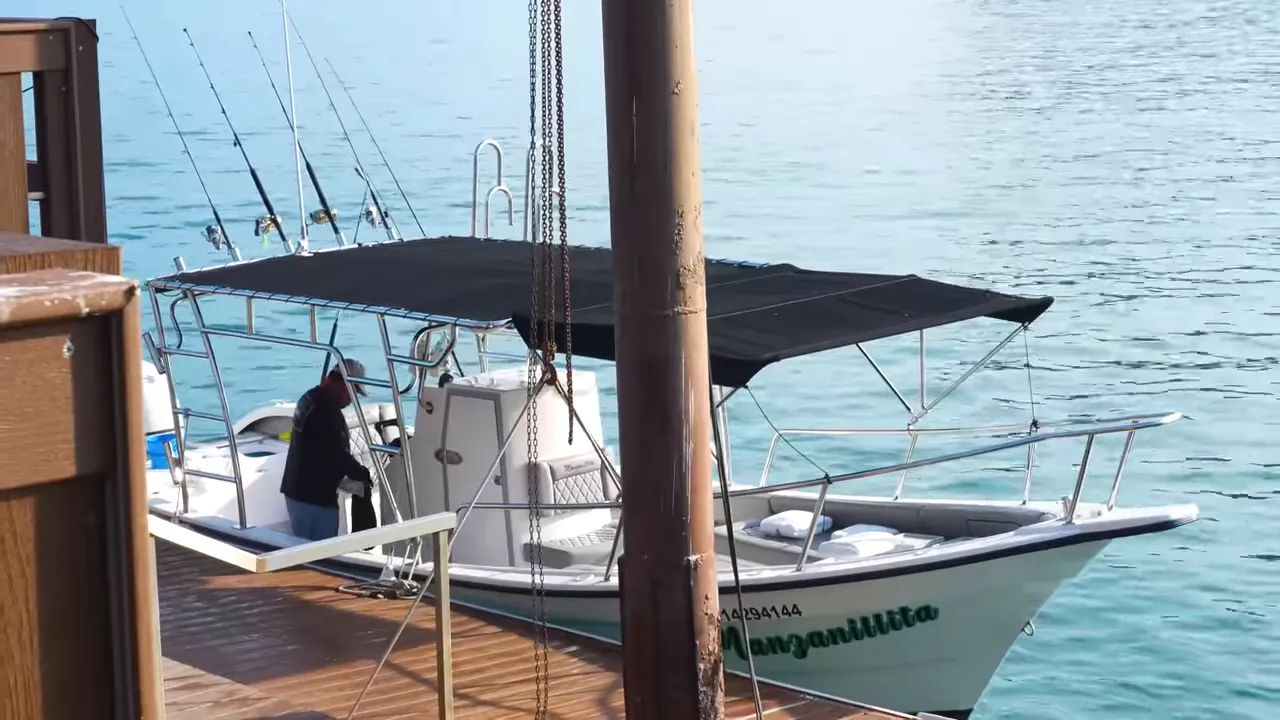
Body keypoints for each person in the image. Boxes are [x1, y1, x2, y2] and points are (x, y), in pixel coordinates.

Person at [279, 358, 373, 541]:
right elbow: (337, 455)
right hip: (314, 499)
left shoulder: (309, 398)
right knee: (320, 555)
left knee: (303, 547)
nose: (352, 400)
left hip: (296, 490)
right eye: (353, 392)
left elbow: (323, 450)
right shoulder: (328, 413)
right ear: (343, 383)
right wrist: (361, 473)